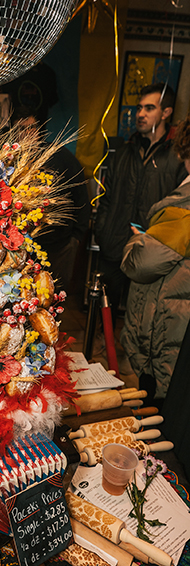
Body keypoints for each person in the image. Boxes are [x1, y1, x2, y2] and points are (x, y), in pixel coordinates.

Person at [95, 83, 187, 325]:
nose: (140, 114)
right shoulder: (122, 153)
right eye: (139, 108)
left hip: (151, 251)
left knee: (142, 318)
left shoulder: (177, 158)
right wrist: (103, 232)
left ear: (166, 113)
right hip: (114, 246)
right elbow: (106, 198)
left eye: (149, 108)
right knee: (105, 313)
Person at [120, 114, 190, 407]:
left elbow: (139, 262)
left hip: (167, 344)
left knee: (160, 419)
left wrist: (139, 238)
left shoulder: (183, 210)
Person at [12, 108, 90, 292]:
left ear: (39, 130)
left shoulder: (60, 156)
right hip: (21, 247)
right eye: (21, 129)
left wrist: (77, 237)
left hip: (60, 247)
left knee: (55, 299)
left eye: (31, 128)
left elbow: (81, 195)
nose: (27, 133)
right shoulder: (8, 159)